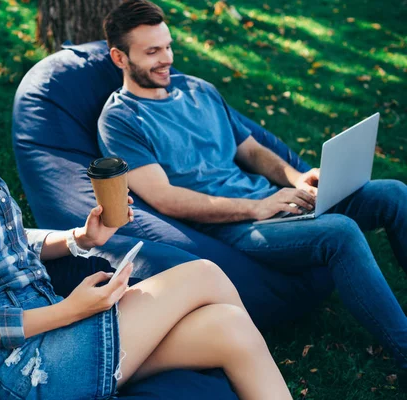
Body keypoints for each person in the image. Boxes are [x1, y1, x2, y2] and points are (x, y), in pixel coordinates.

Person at [0, 51, 292, 400]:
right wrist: (68, 310)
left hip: (55, 325)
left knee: (229, 328)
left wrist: (79, 239)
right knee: (203, 274)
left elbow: (11, 241)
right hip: (22, 367)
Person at [98, 0, 407, 374]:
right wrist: (256, 208)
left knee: (393, 193)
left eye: (168, 46)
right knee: (340, 232)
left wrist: (297, 177)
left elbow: (251, 150)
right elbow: (166, 198)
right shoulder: (120, 120)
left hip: (275, 203)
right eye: (152, 52)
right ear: (119, 58)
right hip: (239, 227)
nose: (167, 58)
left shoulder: (198, 89)